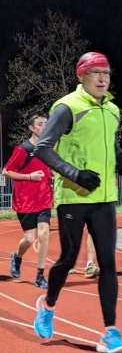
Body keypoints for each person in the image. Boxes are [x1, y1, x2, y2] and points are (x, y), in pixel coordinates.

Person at [32, 51, 122, 353]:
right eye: (96, 72)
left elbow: (107, 140)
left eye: (107, 73)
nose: (103, 78)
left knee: (108, 262)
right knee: (69, 258)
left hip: (105, 197)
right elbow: (43, 149)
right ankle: (48, 306)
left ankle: (110, 331)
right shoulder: (66, 107)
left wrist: (121, 156)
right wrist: (74, 173)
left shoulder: (112, 110)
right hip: (74, 196)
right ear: (81, 75)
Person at [2, 113, 52, 289]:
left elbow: (49, 169)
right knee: (30, 239)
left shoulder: (48, 148)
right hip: (25, 201)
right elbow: (6, 172)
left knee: (44, 234)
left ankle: (40, 276)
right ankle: (17, 257)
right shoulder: (22, 149)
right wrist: (29, 176)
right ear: (32, 128)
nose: (44, 126)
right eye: (40, 124)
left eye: (46, 123)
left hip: (44, 198)